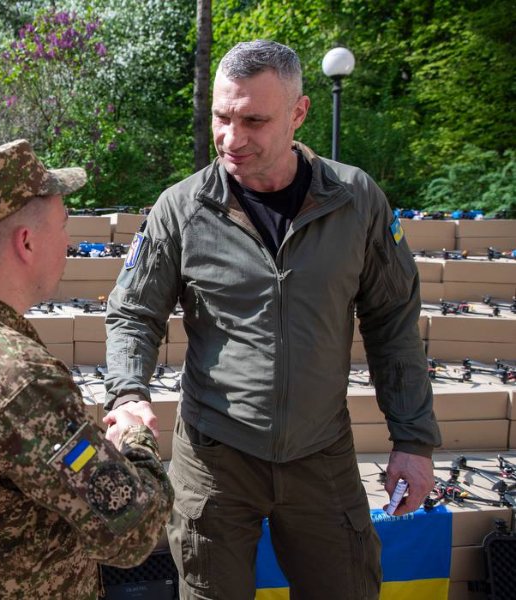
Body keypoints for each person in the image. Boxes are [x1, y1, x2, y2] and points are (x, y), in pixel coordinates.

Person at [103, 40, 441, 599]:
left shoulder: (355, 200)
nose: (231, 138)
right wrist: (128, 392)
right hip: (214, 458)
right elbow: (134, 312)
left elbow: (393, 322)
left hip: (321, 453)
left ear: (298, 113)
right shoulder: (181, 208)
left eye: (253, 121)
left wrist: (414, 440)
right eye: (222, 117)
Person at [0, 139, 173, 599]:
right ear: (26, 242)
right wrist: (135, 436)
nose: (69, 242)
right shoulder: (21, 379)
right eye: (63, 226)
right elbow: (132, 532)